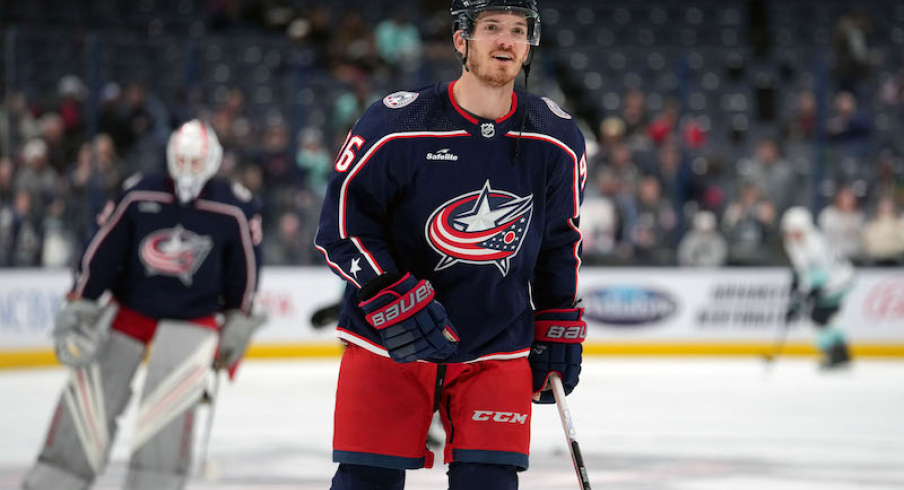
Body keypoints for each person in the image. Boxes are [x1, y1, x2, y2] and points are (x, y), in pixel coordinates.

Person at [314, 1, 587, 488]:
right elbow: (342, 227)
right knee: (364, 482)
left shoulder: (557, 136)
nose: (506, 40)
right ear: (461, 40)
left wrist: (557, 316)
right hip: (389, 342)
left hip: (496, 344)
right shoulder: (396, 124)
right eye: (492, 28)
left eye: (518, 30)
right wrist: (387, 292)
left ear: (529, 45)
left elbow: (558, 240)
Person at [22, 120, 265, 490]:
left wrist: (238, 317)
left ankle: (155, 484)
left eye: (195, 162)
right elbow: (103, 249)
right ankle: (57, 478)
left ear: (212, 161)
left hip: (193, 318)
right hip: (131, 310)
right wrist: (81, 299)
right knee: (90, 401)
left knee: (164, 421)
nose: (187, 170)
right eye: (181, 160)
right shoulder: (139, 193)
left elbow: (245, 269)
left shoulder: (235, 207)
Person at [781, 207, 854, 369]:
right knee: (823, 320)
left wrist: (798, 301)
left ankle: (835, 352)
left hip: (836, 284)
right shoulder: (794, 242)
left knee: (816, 320)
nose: (793, 235)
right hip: (832, 283)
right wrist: (798, 294)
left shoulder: (814, 243)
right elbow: (803, 271)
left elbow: (818, 277)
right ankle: (839, 351)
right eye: (790, 231)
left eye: (797, 231)